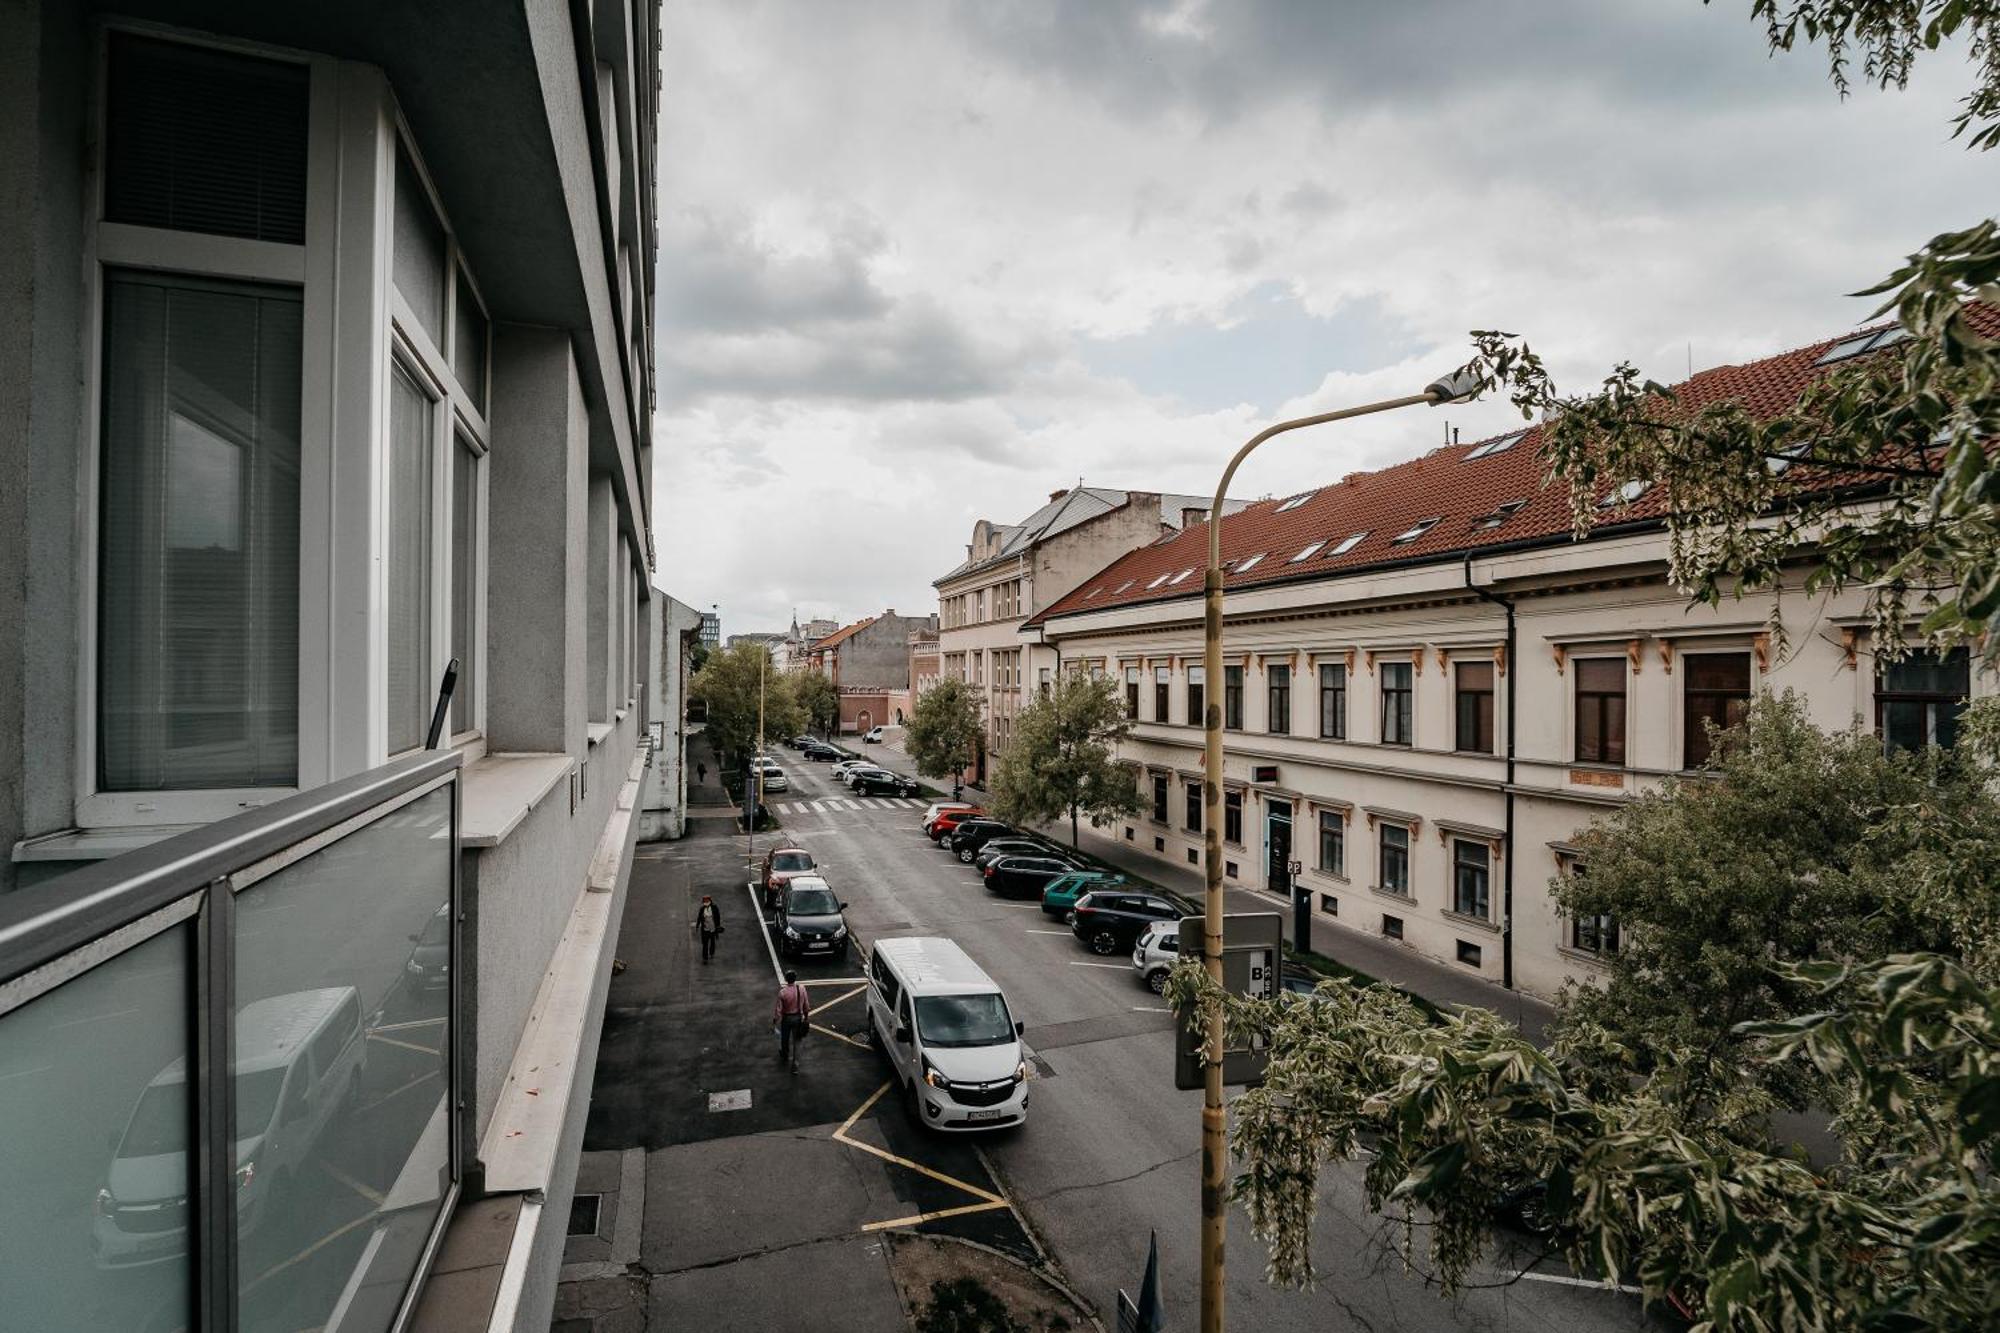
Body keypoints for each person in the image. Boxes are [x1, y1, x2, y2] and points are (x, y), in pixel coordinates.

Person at [774, 969, 811, 1072]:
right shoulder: (802, 989)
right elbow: (806, 1006)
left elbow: (778, 1010)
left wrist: (775, 1020)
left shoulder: (782, 992)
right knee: (797, 1042)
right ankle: (795, 1066)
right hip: (798, 1018)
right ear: (795, 979)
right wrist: (806, 1018)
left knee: (784, 1038)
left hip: (786, 1018)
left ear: (786, 979)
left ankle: (785, 1054)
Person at [693, 895, 722, 962]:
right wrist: (697, 926)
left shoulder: (714, 907)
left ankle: (711, 953)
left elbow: (718, 917)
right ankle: (705, 958)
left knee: (712, 942)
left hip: (713, 929)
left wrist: (718, 926)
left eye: (707, 901)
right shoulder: (702, 909)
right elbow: (699, 918)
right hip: (705, 930)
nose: (705, 902)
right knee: (705, 944)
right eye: (704, 901)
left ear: (710, 901)